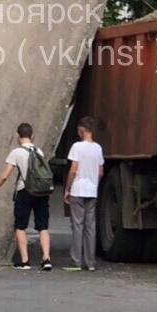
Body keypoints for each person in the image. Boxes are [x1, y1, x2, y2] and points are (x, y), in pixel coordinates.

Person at [0, 122, 52, 271]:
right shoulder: (39, 151)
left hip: (25, 191)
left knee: (20, 226)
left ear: (18, 136)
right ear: (32, 135)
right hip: (41, 191)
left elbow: (4, 176)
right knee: (43, 226)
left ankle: (25, 261)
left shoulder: (16, 152)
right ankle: (46, 259)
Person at [63, 116, 105, 271]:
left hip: (78, 190)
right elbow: (101, 172)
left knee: (77, 226)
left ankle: (76, 262)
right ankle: (90, 262)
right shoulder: (98, 148)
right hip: (92, 191)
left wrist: (68, 188)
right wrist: (94, 185)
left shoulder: (77, 147)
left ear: (81, 130)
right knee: (90, 227)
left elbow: (73, 170)